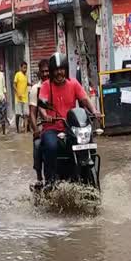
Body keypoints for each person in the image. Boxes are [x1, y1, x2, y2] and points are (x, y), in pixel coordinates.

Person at [38, 52, 100, 186]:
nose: (59, 72)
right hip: (52, 128)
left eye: (62, 69)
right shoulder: (46, 86)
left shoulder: (73, 83)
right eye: (56, 70)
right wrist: (46, 116)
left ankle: (86, 174)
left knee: (88, 142)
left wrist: (94, 111)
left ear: (66, 70)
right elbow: (41, 105)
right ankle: (50, 180)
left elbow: (85, 99)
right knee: (51, 146)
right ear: (52, 71)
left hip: (72, 128)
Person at [28, 59, 50, 186]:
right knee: (37, 146)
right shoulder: (36, 89)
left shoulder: (56, 85)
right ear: (39, 74)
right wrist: (35, 129)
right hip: (43, 126)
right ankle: (39, 177)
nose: (46, 74)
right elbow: (32, 113)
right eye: (43, 72)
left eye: (48, 71)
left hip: (59, 124)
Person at [13, 61, 30, 134]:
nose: (25, 69)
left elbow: (26, 83)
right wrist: (18, 93)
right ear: (20, 68)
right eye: (24, 68)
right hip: (18, 98)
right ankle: (17, 130)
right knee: (18, 114)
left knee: (26, 114)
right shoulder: (17, 74)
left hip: (25, 98)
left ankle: (26, 130)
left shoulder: (26, 76)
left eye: (26, 68)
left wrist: (32, 84)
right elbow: (14, 85)